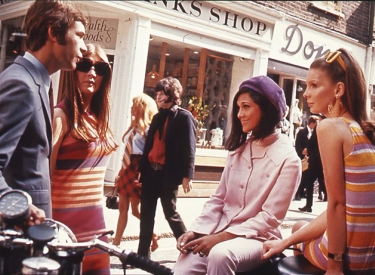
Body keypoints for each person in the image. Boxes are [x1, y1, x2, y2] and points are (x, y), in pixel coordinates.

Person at [173, 75, 301, 275]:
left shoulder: (288, 159)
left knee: (220, 255)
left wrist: (220, 238)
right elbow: (219, 199)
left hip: (258, 239)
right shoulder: (238, 149)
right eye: (238, 107)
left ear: (266, 109)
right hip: (221, 230)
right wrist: (196, 231)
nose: (240, 114)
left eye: (246, 107)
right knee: (183, 266)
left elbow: (269, 218)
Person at [262, 48, 375, 275]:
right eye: (306, 86)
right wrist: (284, 242)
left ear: (338, 90)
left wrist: (334, 267)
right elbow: (348, 207)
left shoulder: (331, 127)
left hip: (350, 258)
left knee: (297, 228)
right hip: (370, 255)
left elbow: (336, 205)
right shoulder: (365, 132)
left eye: (314, 85)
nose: (306, 93)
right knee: (297, 229)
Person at [0, 0, 87, 224]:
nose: (84, 47)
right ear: (54, 33)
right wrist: (13, 202)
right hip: (17, 236)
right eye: (79, 35)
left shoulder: (36, 81)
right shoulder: (21, 84)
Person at [50, 43, 117, 275]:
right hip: (66, 237)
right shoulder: (61, 116)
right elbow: (44, 179)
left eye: (99, 68)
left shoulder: (99, 119)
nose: (92, 73)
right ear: (73, 70)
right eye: (85, 65)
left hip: (97, 236)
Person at [137, 77, 196, 258]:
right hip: (150, 172)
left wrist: (188, 175)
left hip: (167, 174)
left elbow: (190, 147)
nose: (157, 97)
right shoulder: (157, 116)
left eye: (161, 94)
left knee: (170, 212)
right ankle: (142, 254)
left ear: (171, 94)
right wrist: (142, 170)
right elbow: (149, 146)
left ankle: (190, 248)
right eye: (156, 94)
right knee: (146, 214)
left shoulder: (184, 117)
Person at [112, 93, 160, 252]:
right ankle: (116, 243)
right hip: (126, 168)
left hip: (137, 169)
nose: (131, 108)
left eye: (134, 105)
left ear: (141, 108)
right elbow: (126, 150)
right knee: (122, 209)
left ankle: (153, 235)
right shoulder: (132, 127)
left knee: (135, 210)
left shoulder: (148, 130)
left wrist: (144, 175)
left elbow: (150, 154)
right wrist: (120, 171)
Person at [298, 115, 326, 212]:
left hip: (315, 159)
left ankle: (309, 205)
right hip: (324, 159)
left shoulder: (320, 127)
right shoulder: (331, 126)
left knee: (309, 182)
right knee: (322, 180)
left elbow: (312, 142)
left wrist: (307, 151)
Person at [293, 115, 318, 201]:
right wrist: (301, 152)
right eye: (316, 123)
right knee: (301, 176)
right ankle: (297, 193)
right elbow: (298, 145)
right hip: (302, 157)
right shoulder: (302, 132)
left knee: (307, 177)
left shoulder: (315, 133)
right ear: (311, 123)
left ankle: (303, 192)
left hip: (309, 158)